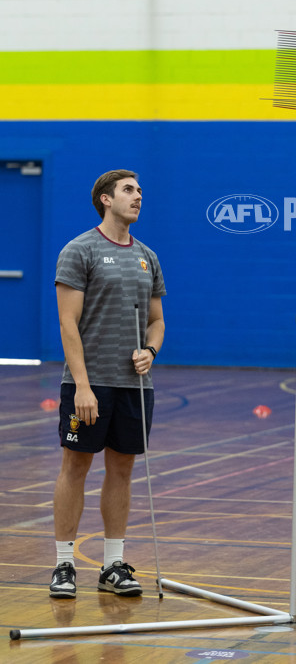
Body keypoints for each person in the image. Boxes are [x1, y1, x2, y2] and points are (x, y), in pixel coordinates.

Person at [49, 170, 166, 599]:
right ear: (105, 199)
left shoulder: (148, 257)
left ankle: (112, 564)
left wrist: (149, 352)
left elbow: (157, 321)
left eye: (140, 191)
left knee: (122, 469)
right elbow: (67, 322)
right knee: (75, 467)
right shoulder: (79, 251)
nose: (138, 197)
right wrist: (82, 385)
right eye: (129, 190)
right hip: (89, 382)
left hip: (134, 386)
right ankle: (64, 565)